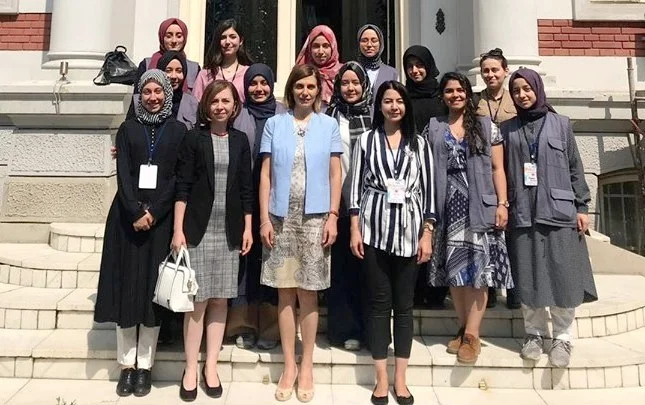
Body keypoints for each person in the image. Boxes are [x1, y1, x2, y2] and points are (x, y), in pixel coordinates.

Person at [94, 70, 186, 398]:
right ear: (139, 95)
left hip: (160, 222)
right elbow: (123, 173)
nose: (153, 97)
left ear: (167, 94)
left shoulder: (178, 131)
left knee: (151, 294)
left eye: (158, 91)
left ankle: (145, 366)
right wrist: (135, 211)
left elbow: (177, 178)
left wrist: (154, 213)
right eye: (147, 92)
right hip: (126, 220)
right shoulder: (127, 128)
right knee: (127, 291)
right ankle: (127, 366)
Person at [503, 68, 598, 368]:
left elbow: (575, 168)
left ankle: (562, 336)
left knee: (562, 273)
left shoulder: (561, 124)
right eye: (516, 90)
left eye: (527, 88)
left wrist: (582, 207)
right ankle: (533, 333)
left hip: (559, 211)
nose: (522, 95)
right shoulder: (506, 130)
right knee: (527, 273)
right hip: (522, 211)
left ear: (538, 89)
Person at [259, 64, 342, 402]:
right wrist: (264, 219)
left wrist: (333, 215)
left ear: (318, 90)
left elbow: (336, 174)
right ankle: (289, 364)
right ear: (291, 89)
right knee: (285, 293)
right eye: (299, 86)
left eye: (310, 86)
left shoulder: (329, 125)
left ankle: (306, 364)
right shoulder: (274, 124)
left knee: (309, 293)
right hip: (280, 216)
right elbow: (265, 175)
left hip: (315, 218)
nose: (305, 92)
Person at [349, 80, 435, 405]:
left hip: (410, 234)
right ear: (380, 105)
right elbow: (355, 188)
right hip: (374, 230)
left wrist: (427, 233)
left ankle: (401, 378)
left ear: (406, 105)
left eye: (399, 100)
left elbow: (429, 191)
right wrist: (355, 229)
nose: (394, 106)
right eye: (388, 101)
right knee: (378, 304)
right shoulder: (366, 140)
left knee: (404, 307)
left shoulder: (419, 143)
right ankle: (381, 378)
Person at [171, 80, 253, 401]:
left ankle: (211, 366)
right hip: (198, 230)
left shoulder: (240, 140)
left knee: (220, 299)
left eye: (226, 101)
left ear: (235, 106)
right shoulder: (194, 138)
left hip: (229, 231)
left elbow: (246, 188)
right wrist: (178, 230)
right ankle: (191, 368)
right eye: (215, 101)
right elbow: (182, 186)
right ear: (206, 105)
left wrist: (248, 227)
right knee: (197, 301)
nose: (220, 106)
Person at [424, 72, 513, 364]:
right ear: (442, 96)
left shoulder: (487, 127)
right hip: (447, 206)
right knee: (456, 270)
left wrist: (502, 203)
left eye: (460, 90)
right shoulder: (434, 127)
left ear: (467, 93)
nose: (455, 95)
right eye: (449, 91)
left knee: (478, 272)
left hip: (479, 205)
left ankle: (473, 335)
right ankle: (463, 328)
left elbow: (498, 168)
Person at [228, 63, 287, 350]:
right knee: (245, 260)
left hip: (277, 199)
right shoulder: (238, 114)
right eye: (253, 83)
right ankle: (243, 324)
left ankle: (272, 327)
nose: (259, 88)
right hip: (243, 198)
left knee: (272, 259)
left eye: (264, 83)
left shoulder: (284, 115)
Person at [325, 61, 372, 352]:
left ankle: (370, 330)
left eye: (355, 83)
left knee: (368, 270)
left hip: (370, 204)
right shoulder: (330, 116)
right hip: (338, 203)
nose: (350, 88)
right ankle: (344, 329)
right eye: (345, 83)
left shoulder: (375, 116)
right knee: (341, 269)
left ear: (364, 86)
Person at [402, 45, 448, 310]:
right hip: (410, 173)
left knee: (436, 229)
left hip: (439, 171)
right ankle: (415, 291)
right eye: (410, 66)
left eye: (419, 65)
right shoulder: (403, 97)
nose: (415, 71)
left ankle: (437, 291)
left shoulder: (441, 97)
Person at [476, 48, 519, 309]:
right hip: (487, 172)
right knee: (490, 231)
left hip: (513, 169)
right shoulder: (475, 101)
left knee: (513, 232)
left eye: (495, 70)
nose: (490, 74)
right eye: (486, 71)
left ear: (505, 71)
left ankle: (514, 291)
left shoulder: (517, 97)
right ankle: (490, 288)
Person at [127, 51, 199, 130]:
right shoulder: (140, 102)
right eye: (168, 70)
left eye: (178, 71)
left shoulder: (192, 104)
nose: (174, 76)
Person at [134, 18, 200, 94]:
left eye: (179, 36)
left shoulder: (194, 68)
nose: (174, 41)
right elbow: (137, 97)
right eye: (169, 36)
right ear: (162, 38)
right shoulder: (147, 64)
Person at [193, 19, 252, 103]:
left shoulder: (248, 73)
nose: (227, 42)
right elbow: (194, 105)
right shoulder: (206, 74)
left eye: (232, 37)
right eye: (223, 37)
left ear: (241, 41)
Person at [295, 25, 343, 107]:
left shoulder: (342, 74)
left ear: (333, 47)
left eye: (325, 46)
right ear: (309, 48)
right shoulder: (300, 73)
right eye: (316, 46)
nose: (320, 51)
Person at [357, 24, 398, 94]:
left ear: (380, 44)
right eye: (364, 40)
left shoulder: (392, 73)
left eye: (374, 41)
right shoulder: (352, 70)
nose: (369, 45)